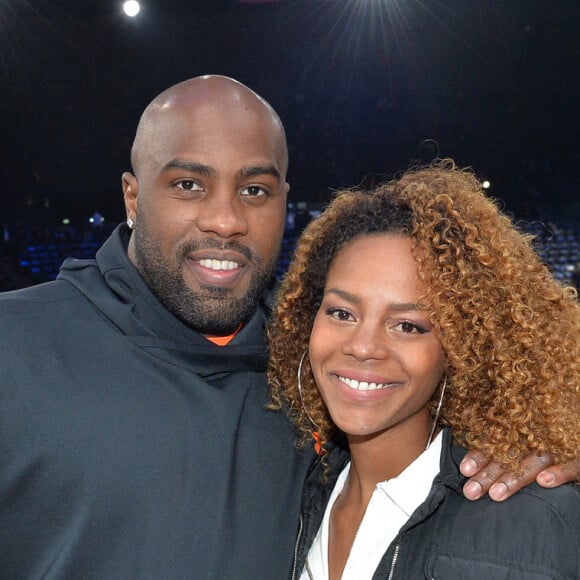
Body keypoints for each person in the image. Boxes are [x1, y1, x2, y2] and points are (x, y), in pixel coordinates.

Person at [0, 77, 575, 579]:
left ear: (283, 202)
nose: (225, 219)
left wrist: (560, 443)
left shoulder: (305, 361)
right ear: (132, 196)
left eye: (254, 190)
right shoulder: (16, 346)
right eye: (188, 185)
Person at [268, 160, 580, 579]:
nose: (363, 346)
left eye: (408, 326)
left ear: (459, 348)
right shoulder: (287, 500)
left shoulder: (532, 522)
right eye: (342, 313)